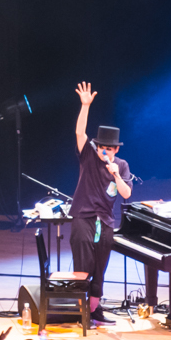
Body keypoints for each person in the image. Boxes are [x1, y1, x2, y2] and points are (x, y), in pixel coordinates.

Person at [68, 80, 135, 301]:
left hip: (105, 221)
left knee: (100, 266)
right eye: (101, 148)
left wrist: (115, 173)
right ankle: (80, 309)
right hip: (83, 216)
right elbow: (80, 133)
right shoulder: (88, 155)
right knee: (83, 264)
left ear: (115, 149)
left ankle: (95, 310)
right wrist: (85, 105)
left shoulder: (122, 166)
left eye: (108, 148)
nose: (103, 152)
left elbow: (125, 194)